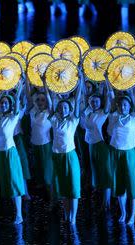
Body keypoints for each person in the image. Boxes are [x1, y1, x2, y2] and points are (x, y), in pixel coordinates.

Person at [44, 74, 84, 225]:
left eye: (65, 107)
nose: (62, 108)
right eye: (60, 107)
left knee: (73, 188)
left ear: (70, 109)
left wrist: (80, 81)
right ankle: (67, 215)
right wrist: (45, 83)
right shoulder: (54, 119)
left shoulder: (73, 120)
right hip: (57, 156)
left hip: (69, 156)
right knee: (64, 189)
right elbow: (49, 102)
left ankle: (73, 218)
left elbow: (78, 99)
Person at [107, 80, 135, 225]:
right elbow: (111, 97)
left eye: (126, 105)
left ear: (130, 107)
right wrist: (108, 81)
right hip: (116, 153)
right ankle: (123, 212)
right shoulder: (114, 116)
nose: (123, 106)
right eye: (121, 105)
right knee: (119, 185)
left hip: (129, 154)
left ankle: (132, 216)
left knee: (133, 185)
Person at [0, 80, 26, 224]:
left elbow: (16, 101)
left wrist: (20, 87)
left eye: (6, 103)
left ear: (10, 105)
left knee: (14, 181)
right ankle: (13, 211)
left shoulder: (13, 117)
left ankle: (19, 215)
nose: (3, 104)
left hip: (10, 153)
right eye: (2, 103)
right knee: (6, 182)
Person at [81, 87, 113, 211]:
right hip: (91, 145)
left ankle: (107, 202)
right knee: (96, 172)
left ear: (100, 102)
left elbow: (109, 99)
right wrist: (81, 77)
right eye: (92, 101)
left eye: (97, 101)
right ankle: (101, 200)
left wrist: (107, 82)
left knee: (105, 172)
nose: (94, 103)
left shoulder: (103, 112)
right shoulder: (88, 112)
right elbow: (84, 95)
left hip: (101, 145)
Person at [26, 86, 53, 200]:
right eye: (38, 100)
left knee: (48, 174)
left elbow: (50, 100)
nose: (40, 102)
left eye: (43, 100)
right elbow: (28, 97)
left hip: (45, 145)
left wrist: (45, 84)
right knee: (39, 171)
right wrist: (26, 79)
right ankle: (44, 196)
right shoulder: (33, 111)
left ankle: (53, 198)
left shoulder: (49, 113)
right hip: (35, 144)